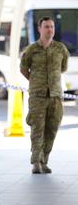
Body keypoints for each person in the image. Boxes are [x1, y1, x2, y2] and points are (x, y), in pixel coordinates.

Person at [20, 16, 69, 174]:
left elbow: (63, 68)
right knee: (37, 129)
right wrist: (36, 81)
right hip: (37, 96)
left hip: (55, 96)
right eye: (46, 26)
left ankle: (44, 160)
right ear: (39, 29)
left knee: (52, 129)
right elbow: (23, 68)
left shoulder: (60, 49)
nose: (50, 30)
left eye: (52, 27)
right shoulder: (32, 50)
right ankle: (36, 162)